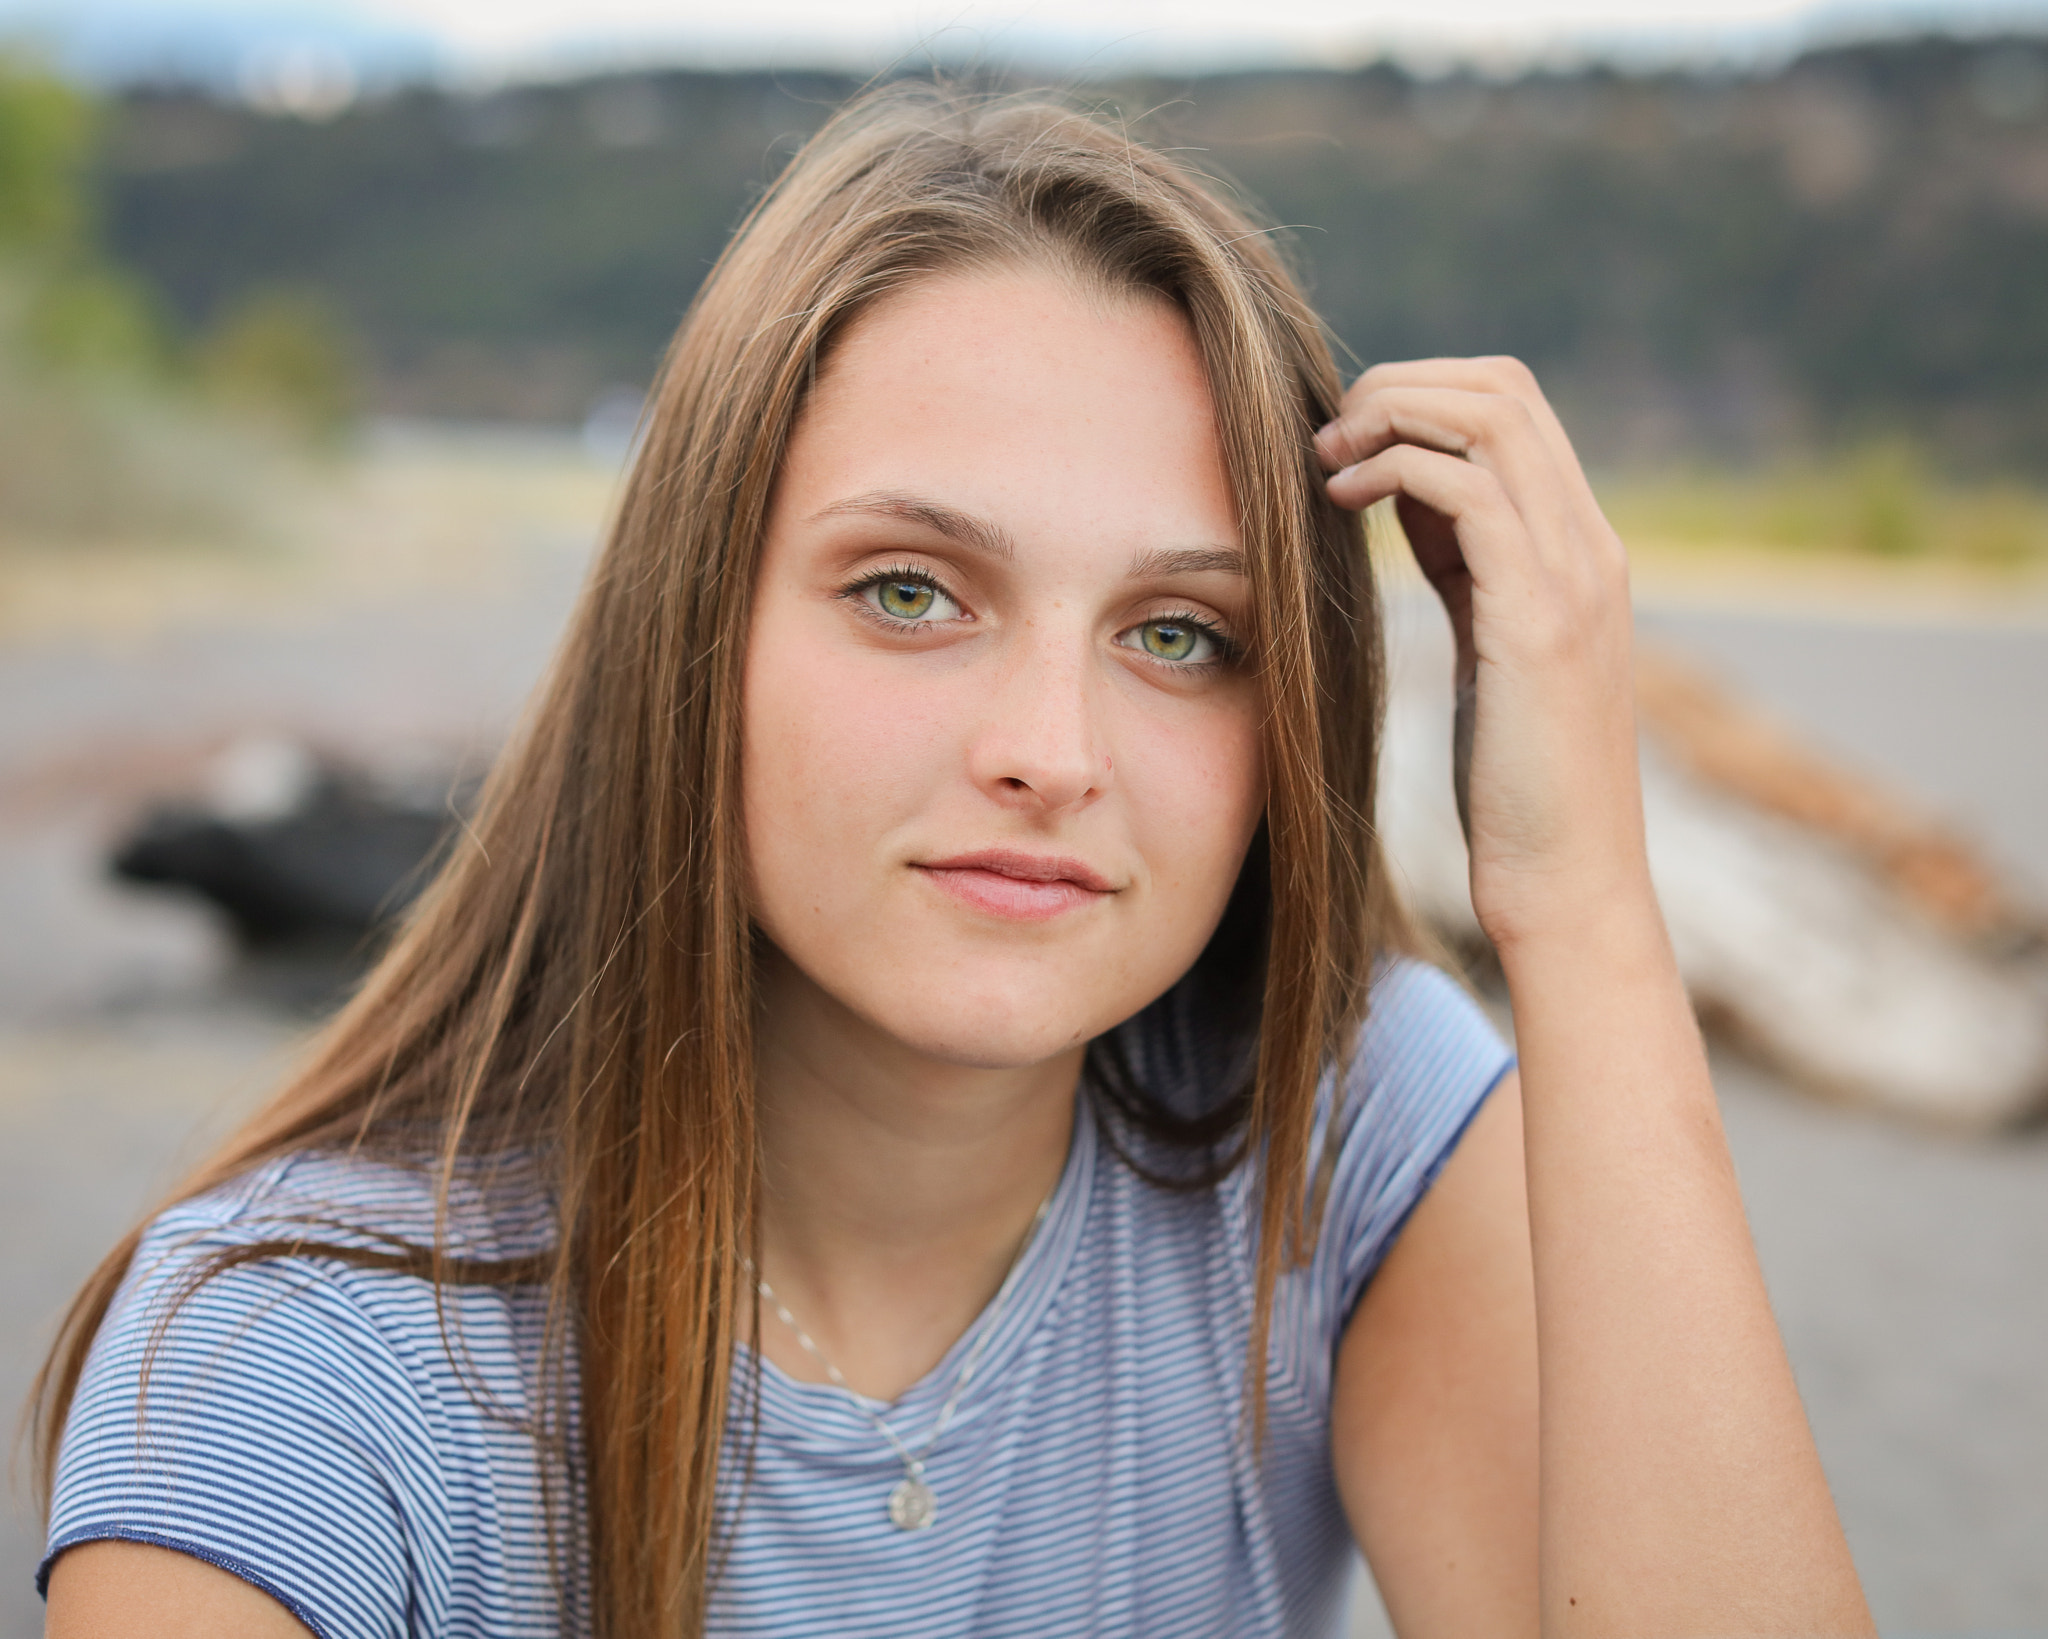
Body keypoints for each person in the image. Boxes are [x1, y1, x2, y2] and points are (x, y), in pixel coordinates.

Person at [32, 86, 1873, 1638]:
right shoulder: (288, 1377)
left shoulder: (1332, 1136)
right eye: (911, 593)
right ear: (695, 630)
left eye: (1179, 635)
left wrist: (1587, 915)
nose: (1050, 756)